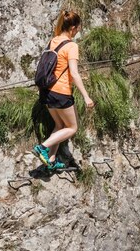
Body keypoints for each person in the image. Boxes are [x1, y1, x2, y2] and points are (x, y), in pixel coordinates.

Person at [33, 10, 95, 170]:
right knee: (72, 127)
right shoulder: (71, 46)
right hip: (61, 93)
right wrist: (86, 97)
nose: (79, 31)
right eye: (79, 28)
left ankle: (51, 160)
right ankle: (43, 147)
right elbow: (74, 73)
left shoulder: (53, 41)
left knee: (60, 125)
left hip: (46, 91)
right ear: (73, 28)